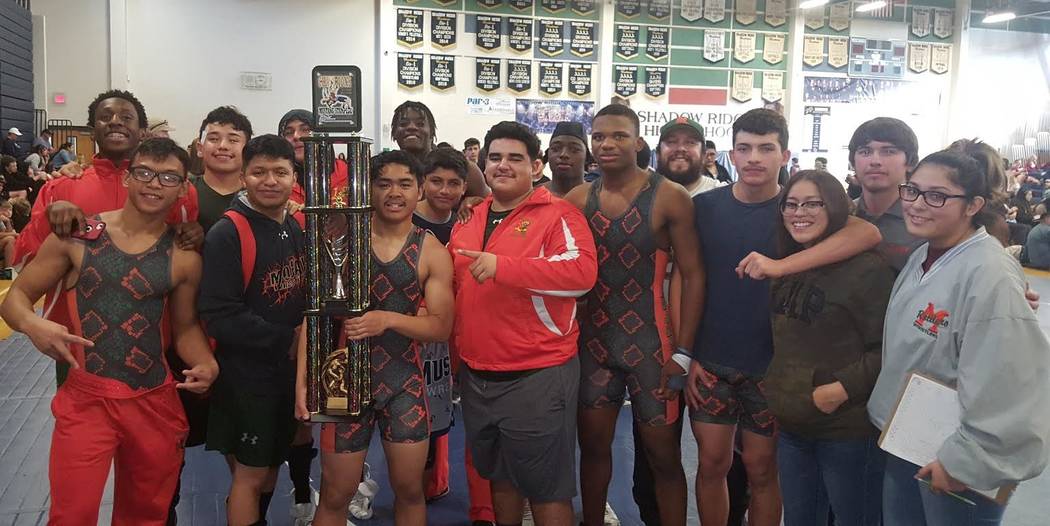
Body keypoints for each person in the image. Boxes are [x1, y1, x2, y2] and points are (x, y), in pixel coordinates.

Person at [0, 137, 218, 525]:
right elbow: (15, 299)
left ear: (184, 187)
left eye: (169, 177)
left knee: (145, 515)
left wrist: (206, 363)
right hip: (87, 401)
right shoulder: (79, 235)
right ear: (129, 177)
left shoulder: (184, 256)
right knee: (72, 514)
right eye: (145, 172)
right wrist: (35, 325)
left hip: (154, 399)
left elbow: (185, 329)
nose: (155, 184)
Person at [686, 109, 882, 526]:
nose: (754, 157)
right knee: (711, 463)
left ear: (785, 154)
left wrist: (779, 266)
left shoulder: (799, 209)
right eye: (744, 148)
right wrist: (686, 353)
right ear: (729, 155)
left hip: (774, 367)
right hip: (713, 357)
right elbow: (686, 280)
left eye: (766, 148)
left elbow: (866, 232)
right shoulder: (704, 207)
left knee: (762, 469)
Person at [867, 148, 1050, 525]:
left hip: (957, 461)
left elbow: (1010, 385)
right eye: (912, 191)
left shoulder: (989, 274)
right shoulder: (925, 255)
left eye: (937, 196)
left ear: (973, 205)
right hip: (911, 441)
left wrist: (966, 461)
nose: (917, 205)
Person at [450, 121, 597, 526]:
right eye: (495, 157)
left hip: (537, 373)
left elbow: (581, 273)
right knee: (500, 477)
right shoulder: (471, 216)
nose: (503, 166)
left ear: (536, 166)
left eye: (515, 158)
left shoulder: (559, 215)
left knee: (547, 489)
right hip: (479, 372)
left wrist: (504, 267)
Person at [563, 105, 702, 526]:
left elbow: (694, 275)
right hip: (595, 345)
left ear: (638, 142)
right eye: (600, 136)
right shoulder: (576, 200)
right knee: (592, 450)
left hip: (651, 347)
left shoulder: (668, 196)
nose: (607, 144)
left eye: (619, 136)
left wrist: (684, 351)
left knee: (664, 457)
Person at [305, 150, 455, 526]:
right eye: (384, 183)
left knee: (409, 491)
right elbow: (315, 315)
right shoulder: (343, 242)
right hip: (344, 382)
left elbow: (440, 327)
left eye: (405, 184)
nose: (394, 192)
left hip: (404, 384)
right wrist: (304, 385)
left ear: (419, 190)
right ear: (368, 188)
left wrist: (386, 319)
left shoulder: (431, 250)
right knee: (336, 492)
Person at [12, 89, 202, 385]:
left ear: (142, 132)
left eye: (126, 117)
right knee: (81, 421)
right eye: (105, 117)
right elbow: (24, 260)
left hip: (152, 341)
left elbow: (183, 253)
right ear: (93, 129)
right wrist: (49, 221)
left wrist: (196, 233)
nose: (115, 122)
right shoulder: (61, 188)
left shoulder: (178, 191)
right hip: (75, 342)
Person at [766, 170, 894, 526]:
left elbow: (889, 348)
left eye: (812, 203)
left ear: (835, 207)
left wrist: (841, 389)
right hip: (795, 427)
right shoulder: (790, 264)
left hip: (847, 431)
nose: (798, 212)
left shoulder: (868, 271)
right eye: (790, 204)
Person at [198, 135, 306, 526]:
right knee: (249, 475)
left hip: (284, 374)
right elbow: (219, 313)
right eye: (259, 172)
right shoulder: (228, 233)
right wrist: (289, 341)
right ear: (243, 176)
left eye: (280, 172)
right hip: (246, 377)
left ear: (294, 177)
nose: (270, 181)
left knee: (270, 467)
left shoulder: (294, 225)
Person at [414, 148, 468, 505]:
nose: (444, 190)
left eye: (453, 183)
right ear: (423, 183)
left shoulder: (466, 222)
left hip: (450, 326)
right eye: (436, 181)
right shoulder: (403, 218)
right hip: (405, 325)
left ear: (464, 186)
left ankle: (433, 482)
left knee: (439, 402)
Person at [848, 118, 925, 272]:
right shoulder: (842, 215)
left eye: (889, 151)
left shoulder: (924, 219)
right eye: (865, 152)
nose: (875, 161)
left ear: (910, 162)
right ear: (852, 162)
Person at [391, 101, 488, 198]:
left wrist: (475, 201)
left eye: (420, 124)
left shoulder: (464, 167)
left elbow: (489, 202)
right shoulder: (386, 170)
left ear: (432, 131)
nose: (411, 127)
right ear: (394, 133)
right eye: (403, 124)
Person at [192, 106, 253, 232]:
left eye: (233, 140)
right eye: (213, 139)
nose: (223, 146)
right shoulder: (183, 191)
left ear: (248, 150)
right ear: (199, 148)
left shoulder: (258, 195)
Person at [543, 121, 589, 198]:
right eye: (556, 149)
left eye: (574, 150)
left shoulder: (597, 198)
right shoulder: (533, 195)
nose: (563, 154)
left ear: (587, 156)